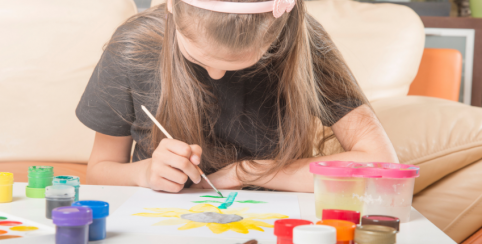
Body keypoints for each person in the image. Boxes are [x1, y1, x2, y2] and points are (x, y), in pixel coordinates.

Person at [76, 0, 398, 193]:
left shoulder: (302, 43)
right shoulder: (134, 48)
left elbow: (381, 163)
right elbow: (99, 170)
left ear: (277, 32)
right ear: (172, 7)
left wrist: (246, 172)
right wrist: (145, 173)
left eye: (242, 63)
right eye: (200, 59)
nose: (216, 76)